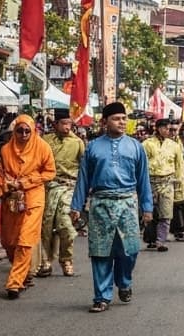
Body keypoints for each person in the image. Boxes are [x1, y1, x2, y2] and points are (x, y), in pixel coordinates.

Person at [70, 102, 154, 313]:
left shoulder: (136, 146)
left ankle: (124, 282)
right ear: (104, 122)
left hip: (127, 203)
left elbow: (144, 179)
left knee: (130, 250)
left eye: (124, 118)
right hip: (100, 203)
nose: (122, 122)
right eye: (117, 118)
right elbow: (83, 179)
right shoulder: (93, 147)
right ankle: (102, 296)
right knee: (101, 252)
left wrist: (147, 207)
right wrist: (76, 206)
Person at [0, 114, 56, 299]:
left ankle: (14, 283)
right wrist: (5, 185)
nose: (24, 134)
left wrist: (26, 182)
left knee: (25, 240)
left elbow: (50, 172)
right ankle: (23, 272)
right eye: (20, 130)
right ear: (14, 131)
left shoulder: (42, 147)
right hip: (11, 200)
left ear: (33, 130)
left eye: (28, 130)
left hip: (33, 199)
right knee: (9, 241)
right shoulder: (5, 150)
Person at [38, 107, 84, 278]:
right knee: (46, 226)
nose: (67, 127)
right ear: (55, 124)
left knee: (66, 225)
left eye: (69, 124)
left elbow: (84, 168)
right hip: (48, 188)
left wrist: (83, 192)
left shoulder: (77, 142)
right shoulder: (45, 141)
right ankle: (46, 261)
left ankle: (66, 259)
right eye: (63, 123)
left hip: (68, 188)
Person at [143, 117, 184, 252]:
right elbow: (141, 165)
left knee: (166, 213)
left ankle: (161, 241)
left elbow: (179, 166)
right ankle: (151, 239)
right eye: (165, 128)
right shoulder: (147, 144)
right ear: (158, 128)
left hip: (168, 182)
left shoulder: (174, 146)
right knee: (151, 212)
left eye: (170, 129)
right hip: (150, 182)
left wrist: (180, 185)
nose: (168, 131)